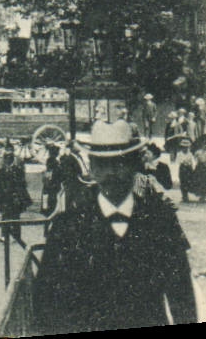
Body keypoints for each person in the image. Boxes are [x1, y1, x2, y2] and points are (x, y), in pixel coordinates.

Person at [37, 120, 197, 332]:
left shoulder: (161, 222)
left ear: (134, 166)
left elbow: (182, 297)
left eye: (120, 163)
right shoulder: (67, 226)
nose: (111, 172)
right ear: (92, 168)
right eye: (103, 164)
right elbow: (45, 301)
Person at [0, 142, 32, 246]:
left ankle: (15, 235)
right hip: (7, 198)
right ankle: (5, 236)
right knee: (6, 217)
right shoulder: (2, 171)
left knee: (14, 216)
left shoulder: (16, 169)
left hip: (13, 198)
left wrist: (22, 197)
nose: (7, 161)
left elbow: (22, 184)